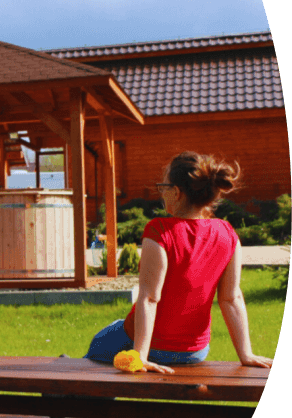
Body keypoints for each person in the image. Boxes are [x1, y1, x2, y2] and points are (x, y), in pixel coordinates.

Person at [84, 151, 274, 374]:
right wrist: (246, 354)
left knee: (98, 345)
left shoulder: (159, 231)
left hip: (152, 347)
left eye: (163, 187)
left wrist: (140, 356)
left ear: (176, 192)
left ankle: (64, 383)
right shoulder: (227, 233)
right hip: (195, 352)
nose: (162, 193)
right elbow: (231, 298)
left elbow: (149, 298)